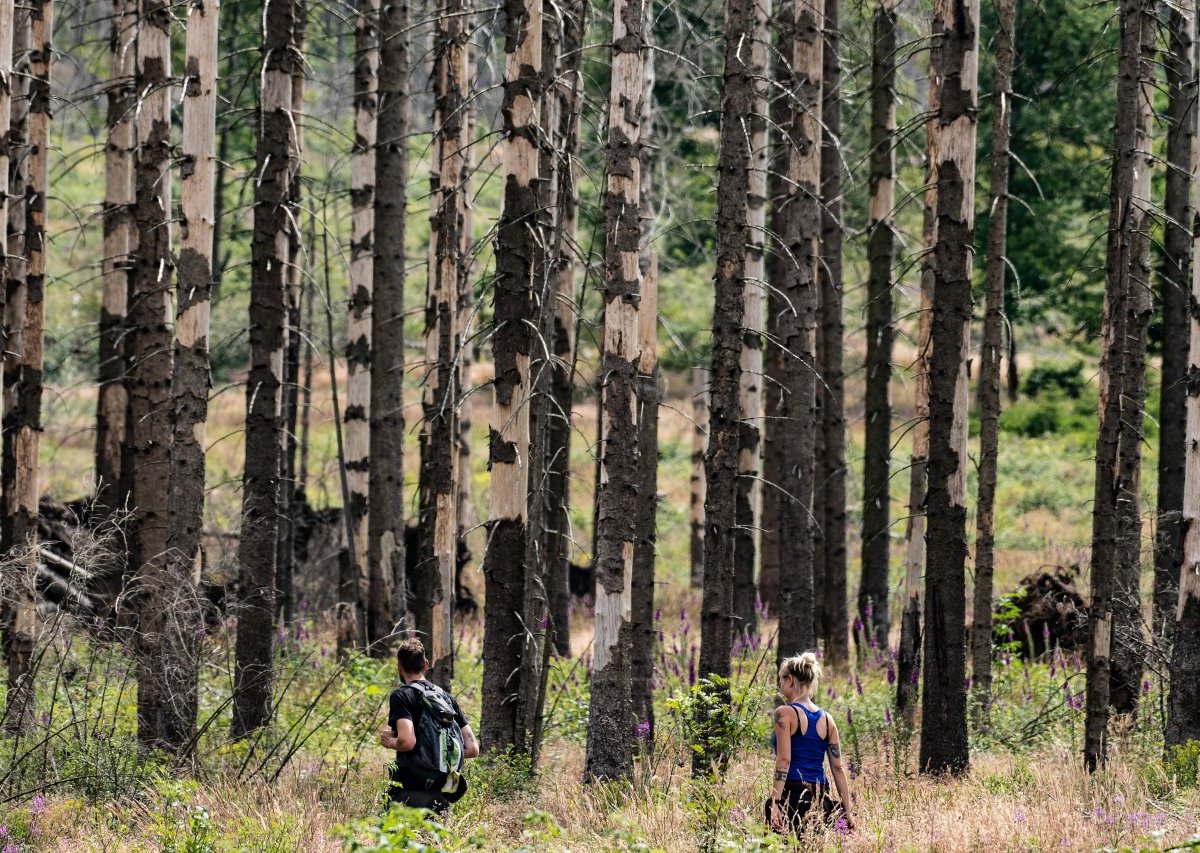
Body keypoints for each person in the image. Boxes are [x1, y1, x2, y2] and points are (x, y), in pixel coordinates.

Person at [379, 638, 479, 814]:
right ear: (425, 664)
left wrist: (390, 742)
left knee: (401, 840)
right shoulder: (446, 698)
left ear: (399, 668)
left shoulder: (402, 696)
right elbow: (472, 748)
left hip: (409, 791)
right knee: (435, 840)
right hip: (441, 792)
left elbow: (407, 741)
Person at [766, 651, 854, 835]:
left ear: (790, 680)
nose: (780, 684)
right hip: (821, 797)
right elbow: (838, 767)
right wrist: (848, 811)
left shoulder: (784, 713)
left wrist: (775, 802)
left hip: (793, 793)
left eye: (781, 679)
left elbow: (784, 760)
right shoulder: (828, 720)